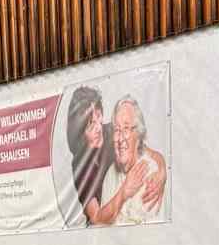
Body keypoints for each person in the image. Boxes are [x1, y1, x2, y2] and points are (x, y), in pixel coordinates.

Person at [65, 85, 166, 226]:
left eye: (99, 116)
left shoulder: (112, 131)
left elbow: (151, 153)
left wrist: (161, 173)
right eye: (90, 124)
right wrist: (125, 191)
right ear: (79, 131)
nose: (98, 127)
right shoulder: (80, 165)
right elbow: (96, 218)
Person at [99, 97, 167, 226]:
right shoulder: (110, 173)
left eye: (126, 128)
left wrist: (162, 169)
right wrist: (124, 192)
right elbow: (99, 225)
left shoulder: (152, 176)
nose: (120, 138)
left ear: (138, 134)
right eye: (117, 130)